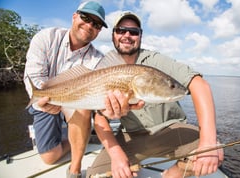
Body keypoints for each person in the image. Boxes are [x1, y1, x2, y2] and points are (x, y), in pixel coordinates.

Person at [86, 11, 224, 178]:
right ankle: (131, 164)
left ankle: (173, 173)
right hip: (131, 136)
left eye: (134, 32)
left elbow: (198, 84)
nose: (127, 35)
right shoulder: (104, 67)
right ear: (113, 34)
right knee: (95, 175)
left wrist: (208, 141)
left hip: (171, 130)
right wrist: (117, 156)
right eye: (121, 30)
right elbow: (100, 117)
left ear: (140, 36)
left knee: (214, 152)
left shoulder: (156, 60)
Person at [23, 1, 131, 178]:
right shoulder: (45, 37)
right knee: (50, 157)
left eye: (96, 24)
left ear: (99, 31)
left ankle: (74, 169)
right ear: (74, 16)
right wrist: (43, 101)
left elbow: (97, 95)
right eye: (85, 18)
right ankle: (81, 139)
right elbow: (34, 78)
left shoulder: (98, 59)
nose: (89, 25)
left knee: (83, 106)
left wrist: (110, 109)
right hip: (46, 100)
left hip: (76, 101)